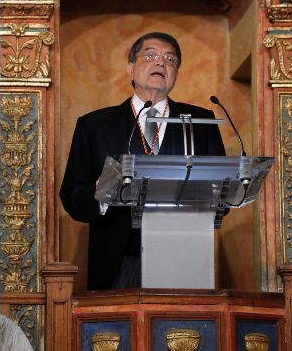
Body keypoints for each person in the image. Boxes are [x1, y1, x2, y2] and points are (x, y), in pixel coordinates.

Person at [60, 32, 226, 290]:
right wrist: (101, 190)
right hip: (116, 262)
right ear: (130, 68)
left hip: (184, 258)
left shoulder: (201, 122)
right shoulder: (94, 125)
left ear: (176, 73)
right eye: (150, 56)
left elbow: (223, 193)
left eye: (170, 59)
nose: (161, 62)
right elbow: (73, 198)